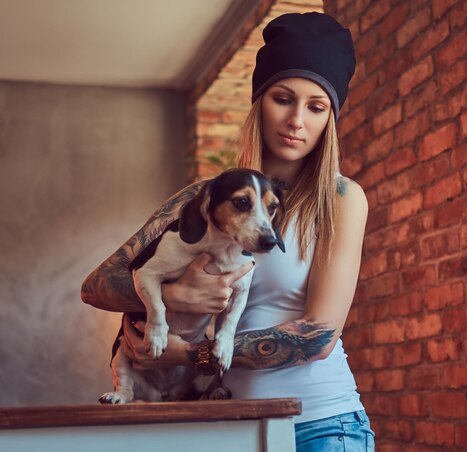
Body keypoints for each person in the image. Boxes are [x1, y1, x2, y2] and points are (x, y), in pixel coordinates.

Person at [81, 11, 374, 451]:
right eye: (283, 98)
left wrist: (189, 353)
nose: (297, 119)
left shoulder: (341, 198)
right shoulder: (207, 196)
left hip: (319, 427)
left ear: (329, 119)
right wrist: (175, 297)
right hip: (225, 426)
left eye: (316, 107)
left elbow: (318, 337)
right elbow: (96, 286)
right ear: (260, 101)